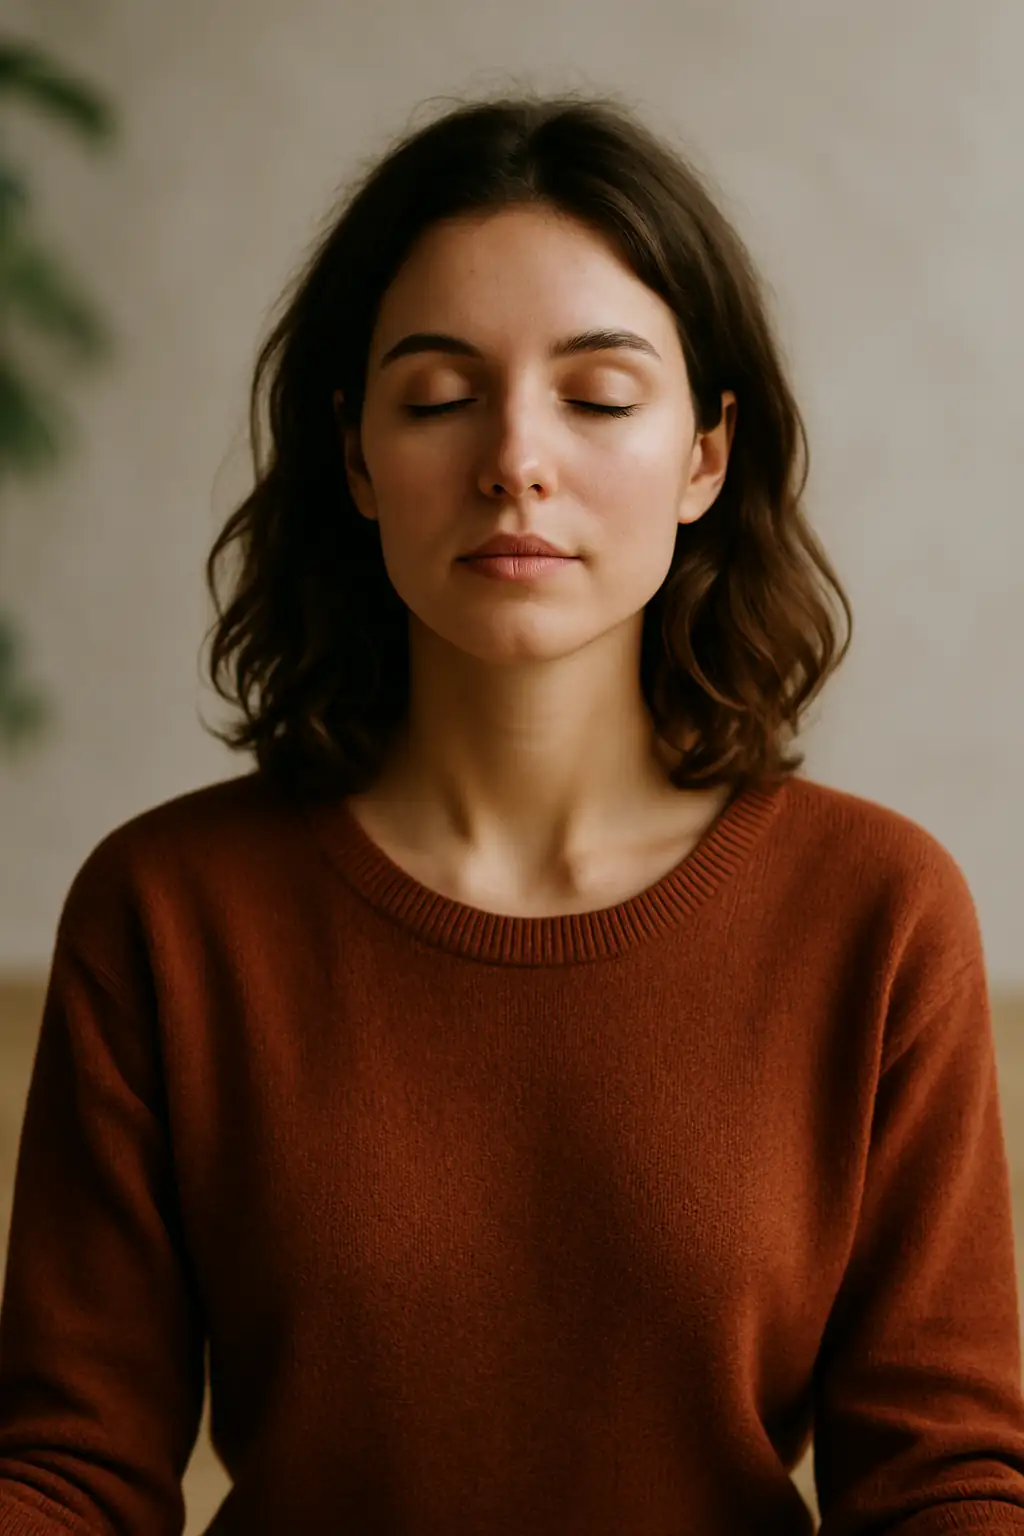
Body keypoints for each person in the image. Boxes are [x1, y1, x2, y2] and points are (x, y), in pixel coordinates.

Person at [2, 89, 1023, 1535]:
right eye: (438, 397)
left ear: (705, 457)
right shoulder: (167, 911)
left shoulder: (877, 910)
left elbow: (940, 1486)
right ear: (356, 453)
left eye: (599, 398)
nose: (515, 462)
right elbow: (71, 1472)